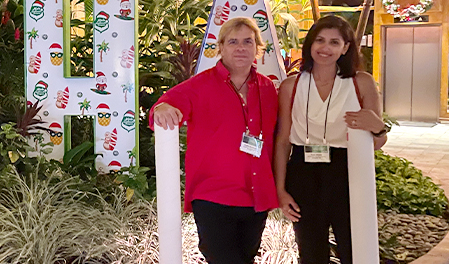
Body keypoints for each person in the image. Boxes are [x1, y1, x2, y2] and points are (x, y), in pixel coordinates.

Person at [151, 17, 279, 264]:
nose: (240, 48)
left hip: (256, 196)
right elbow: (163, 105)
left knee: (246, 258)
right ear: (221, 47)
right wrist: (162, 108)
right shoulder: (200, 85)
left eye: (247, 42)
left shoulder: (267, 88)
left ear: (257, 48)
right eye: (233, 42)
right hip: (213, 196)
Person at [273, 15, 387, 264]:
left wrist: (380, 129)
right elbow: (283, 141)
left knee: (354, 247)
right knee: (311, 251)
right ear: (310, 44)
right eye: (320, 40)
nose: (325, 48)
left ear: (345, 48)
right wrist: (280, 190)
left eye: (334, 42)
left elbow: (377, 142)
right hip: (303, 172)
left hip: (348, 170)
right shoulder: (291, 86)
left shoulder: (361, 83)